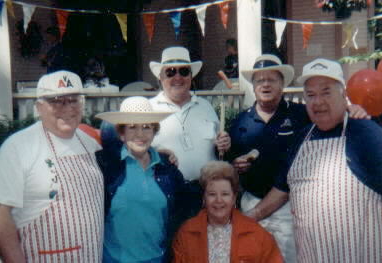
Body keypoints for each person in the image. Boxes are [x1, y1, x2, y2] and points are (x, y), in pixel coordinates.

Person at [251, 58, 382, 262]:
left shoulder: (368, 135)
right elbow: (280, 191)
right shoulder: (300, 139)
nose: (318, 102)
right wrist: (245, 217)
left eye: (326, 92)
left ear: (343, 94)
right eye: (311, 95)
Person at [227, 54, 368, 262]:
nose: (265, 84)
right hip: (252, 204)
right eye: (260, 80)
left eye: (271, 79)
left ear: (282, 83)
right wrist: (235, 164)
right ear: (253, 85)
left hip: (290, 206)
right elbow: (231, 163)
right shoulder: (240, 121)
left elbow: (333, 117)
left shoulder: (302, 114)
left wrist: (352, 109)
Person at [0, 70, 104, 262]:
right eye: (56, 101)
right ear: (39, 107)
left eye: (74, 100)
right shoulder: (18, 147)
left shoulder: (90, 142)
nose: (67, 108)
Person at [96, 96, 185, 263]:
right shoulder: (106, 166)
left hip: (157, 259)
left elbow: (184, 207)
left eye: (146, 127)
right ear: (121, 134)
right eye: (132, 127)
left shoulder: (166, 168)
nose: (140, 134)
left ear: (154, 131)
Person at [148, 46, 231, 218]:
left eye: (184, 71)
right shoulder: (149, 109)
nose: (177, 77)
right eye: (170, 72)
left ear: (191, 76)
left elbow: (219, 148)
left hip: (205, 194)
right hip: (168, 194)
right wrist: (155, 153)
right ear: (160, 76)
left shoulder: (205, 106)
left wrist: (223, 144)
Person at [172, 161, 283, 263]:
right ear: (204, 198)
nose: (218, 200)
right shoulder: (186, 233)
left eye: (225, 194)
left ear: (234, 197)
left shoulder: (257, 233)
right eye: (212, 194)